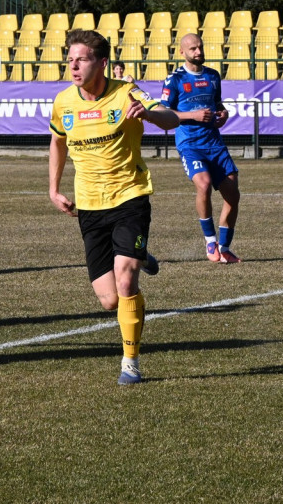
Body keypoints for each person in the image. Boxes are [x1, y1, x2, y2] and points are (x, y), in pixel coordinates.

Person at [49, 30, 180, 385]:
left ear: (102, 63)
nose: (74, 66)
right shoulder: (63, 102)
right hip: (89, 207)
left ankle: (131, 363)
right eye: (70, 59)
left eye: (82, 59)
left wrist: (151, 115)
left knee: (126, 280)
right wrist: (53, 188)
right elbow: (58, 141)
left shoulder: (127, 93)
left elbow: (171, 118)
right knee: (109, 301)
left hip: (129, 197)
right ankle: (140, 255)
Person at [160, 33, 241, 263]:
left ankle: (224, 248)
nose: (198, 52)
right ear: (182, 52)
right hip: (190, 144)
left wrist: (223, 113)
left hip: (214, 143)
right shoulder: (174, 80)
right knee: (203, 184)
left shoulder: (213, 76)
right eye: (193, 48)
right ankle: (210, 242)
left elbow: (217, 104)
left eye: (200, 47)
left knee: (233, 196)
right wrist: (192, 115)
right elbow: (162, 112)